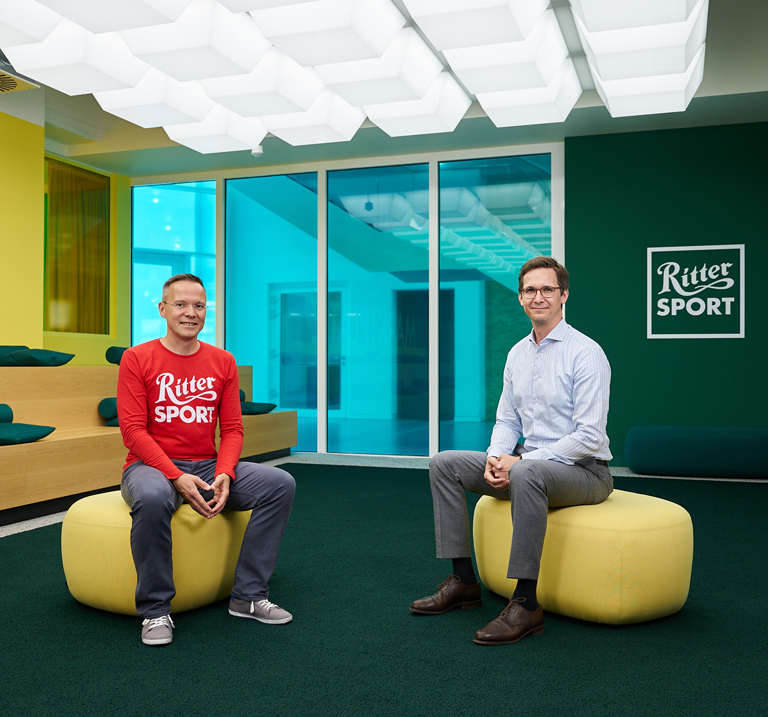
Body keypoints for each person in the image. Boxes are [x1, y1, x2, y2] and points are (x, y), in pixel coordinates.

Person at [410, 257, 612, 645]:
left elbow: (588, 436)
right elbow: (507, 421)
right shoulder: (517, 354)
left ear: (563, 295)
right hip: (527, 467)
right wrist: (494, 456)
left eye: (547, 289)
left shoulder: (586, 353)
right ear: (520, 297)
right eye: (530, 290)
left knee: (526, 472)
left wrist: (521, 462)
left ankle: (526, 603)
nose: (539, 296)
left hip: (586, 472)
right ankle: (464, 582)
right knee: (444, 463)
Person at [117, 273, 295, 646]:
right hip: (150, 467)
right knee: (151, 498)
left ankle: (248, 596)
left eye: (199, 305)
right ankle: (155, 611)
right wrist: (175, 475)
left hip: (208, 465)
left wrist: (226, 473)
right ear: (163, 308)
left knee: (280, 484)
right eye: (181, 304)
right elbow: (133, 432)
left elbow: (231, 429)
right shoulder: (137, 358)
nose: (190, 312)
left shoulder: (222, 361)